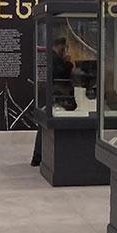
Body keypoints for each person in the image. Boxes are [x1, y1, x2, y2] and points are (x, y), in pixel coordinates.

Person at [30, 37, 75, 166]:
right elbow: (61, 73)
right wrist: (69, 64)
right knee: (43, 128)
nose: (64, 50)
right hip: (56, 93)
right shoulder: (55, 58)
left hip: (52, 94)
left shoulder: (52, 57)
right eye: (64, 47)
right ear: (60, 45)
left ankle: (38, 156)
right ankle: (38, 156)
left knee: (42, 128)